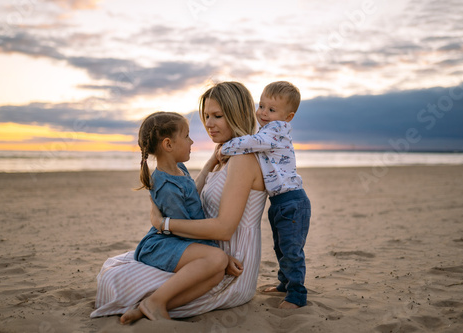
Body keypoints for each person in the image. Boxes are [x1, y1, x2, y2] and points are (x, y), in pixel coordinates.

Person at [90, 81, 267, 323]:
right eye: (206, 116)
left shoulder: (243, 160)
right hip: (204, 252)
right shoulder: (225, 157)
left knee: (126, 282)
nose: (208, 124)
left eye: (217, 116)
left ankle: (151, 303)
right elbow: (184, 195)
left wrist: (164, 224)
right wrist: (209, 165)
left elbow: (225, 229)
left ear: (237, 114)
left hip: (232, 266)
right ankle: (149, 305)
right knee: (119, 274)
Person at [131, 111, 243, 320]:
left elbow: (192, 191)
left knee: (217, 272)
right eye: (186, 136)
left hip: (175, 238)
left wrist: (211, 162)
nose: (192, 141)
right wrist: (222, 256)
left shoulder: (179, 168)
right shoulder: (166, 186)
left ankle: (152, 306)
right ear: (168, 145)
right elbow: (183, 229)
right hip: (162, 244)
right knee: (218, 260)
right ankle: (154, 301)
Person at [221, 81, 311, 309]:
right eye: (261, 106)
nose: (263, 112)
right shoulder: (267, 131)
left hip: (292, 201)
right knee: (281, 247)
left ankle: (297, 295)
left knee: (292, 250)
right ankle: (284, 284)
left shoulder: (275, 131)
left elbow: (252, 142)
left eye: (271, 110)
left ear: (287, 117)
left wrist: (224, 148)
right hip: (280, 201)